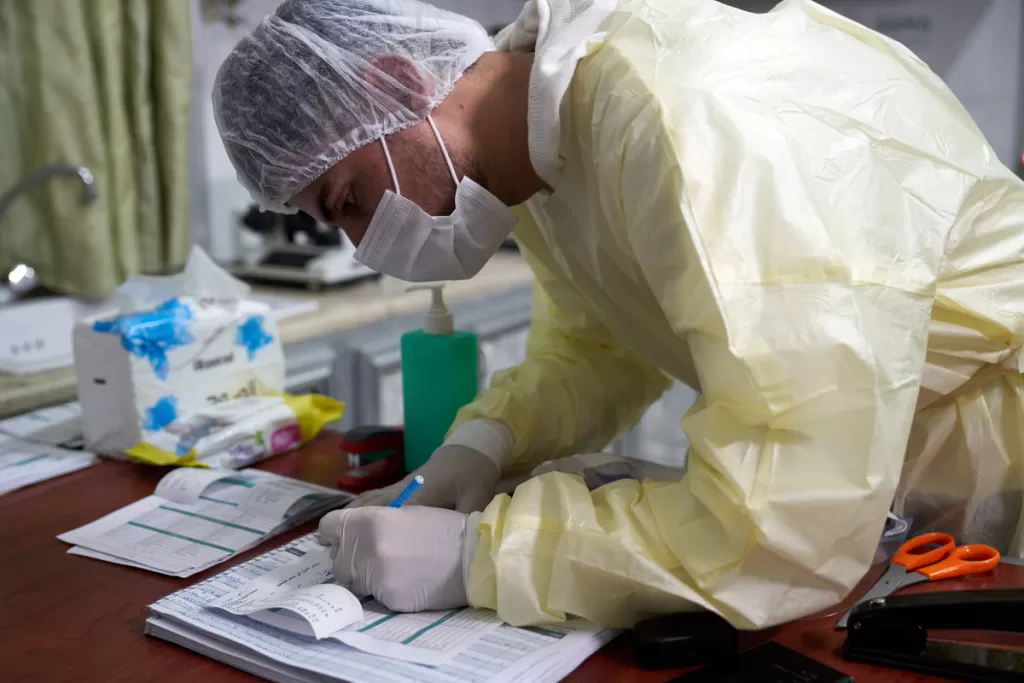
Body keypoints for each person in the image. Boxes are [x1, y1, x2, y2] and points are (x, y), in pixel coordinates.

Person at [213, 0, 1024, 630]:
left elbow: (779, 525)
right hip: (885, 458)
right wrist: (483, 442)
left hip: (995, 441)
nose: (364, 244)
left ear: (397, 85)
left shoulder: (693, 125)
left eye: (349, 200)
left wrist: (480, 557)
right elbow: (601, 340)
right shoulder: (539, 152)